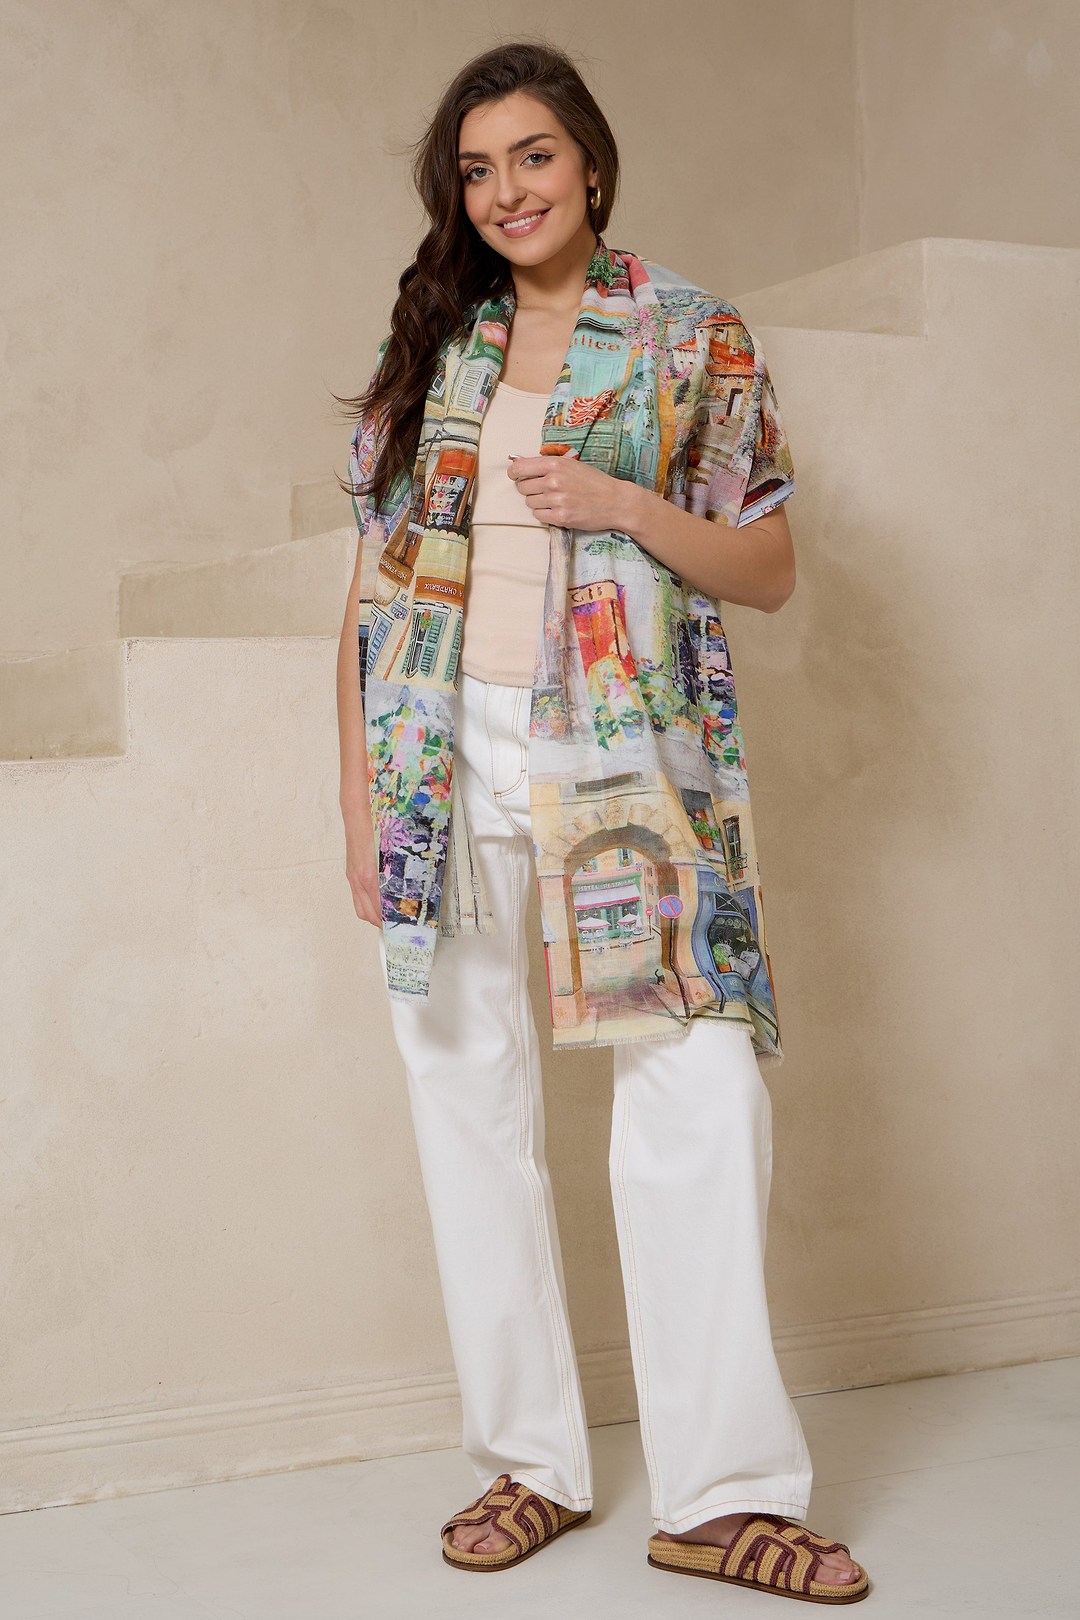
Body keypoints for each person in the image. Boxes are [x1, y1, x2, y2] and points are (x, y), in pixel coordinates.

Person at [337, 41, 869, 1605]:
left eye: (534, 156)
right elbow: (369, 595)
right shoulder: (437, 346)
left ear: (590, 163)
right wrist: (360, 800)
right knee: (464, 1098)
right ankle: (531, 1466)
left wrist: (624, 503)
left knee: (697, 1093)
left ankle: (723, 1495)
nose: (507, 190)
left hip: (622, 756)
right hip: (441, 754)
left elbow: (770, 569)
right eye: (478, 170)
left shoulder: (692, 334)